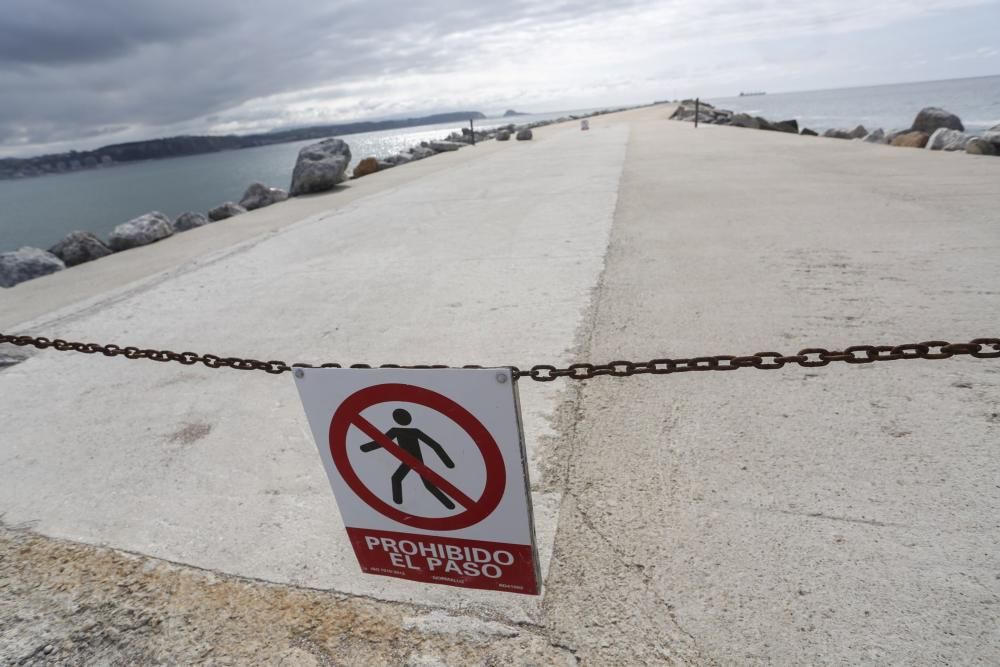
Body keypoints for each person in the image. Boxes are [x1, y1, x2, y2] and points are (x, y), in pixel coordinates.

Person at [360, 408, 456, 509]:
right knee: (401, 479)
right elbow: (382, 442)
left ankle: (449, 505)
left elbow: (434, 445)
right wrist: (448, 463)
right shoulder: (406, 431)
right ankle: (398, 505)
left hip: (415, 460)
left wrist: (448, 463)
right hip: (409, 460)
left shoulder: (403, 431)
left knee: (419, 482)